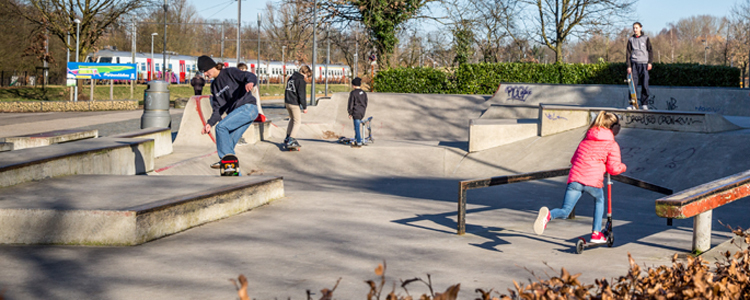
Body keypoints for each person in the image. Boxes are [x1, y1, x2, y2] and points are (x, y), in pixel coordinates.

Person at [533, 111, 627, 244]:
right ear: (613, 127)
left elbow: (573, 159)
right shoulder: (611, 144)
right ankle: (596, 233)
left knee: (565, 211)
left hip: (575, 178)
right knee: (599, 200)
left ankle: (549, 215)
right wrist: (623, 167)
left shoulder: (586, 139)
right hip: (592, 181)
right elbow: (614, 168)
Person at [197, 55, 258, 173]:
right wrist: (210, 123)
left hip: (248, 108)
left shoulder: (230, 72)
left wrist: (250, 82)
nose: (205, 74)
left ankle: (224, 161)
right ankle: (234, 174)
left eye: (205, 71)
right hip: (238, 114)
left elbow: (249, 75)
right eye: (202, 72)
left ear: (212, 67)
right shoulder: (214, 87)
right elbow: (218, 108)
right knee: (228, 143)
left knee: (222, 127)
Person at [284, 65, 312, 148]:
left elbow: (287, 90)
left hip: (287, 102)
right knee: (297, 122)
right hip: (294, 103)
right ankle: (291, 140)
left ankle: (287, 137)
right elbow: (301, 95)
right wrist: (304, 107)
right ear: (306, 73)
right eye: (308, 75)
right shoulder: (301, 81)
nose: (306, 77)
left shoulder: (291, 78)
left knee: (292, 119)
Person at [626, 22, 653, 110]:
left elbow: (650, 51)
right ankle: (632, 103)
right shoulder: (630, 40)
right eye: (634, 28)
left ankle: (644, 103)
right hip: (634, 64)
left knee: (645, 84)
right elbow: (628, 53)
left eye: (636, 28)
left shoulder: (646, 38)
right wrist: (629, 66)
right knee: (633, 85)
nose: (635, 29)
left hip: (644, 64)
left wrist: (650, 62)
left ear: (640, 28)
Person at [347, 77, 368, 148]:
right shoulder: (364, 93)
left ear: (354, 85)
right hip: (362, 111)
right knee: (357, 126)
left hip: (355, 112)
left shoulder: (353, 93)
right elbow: (366, 102)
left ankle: (359, 142)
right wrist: (363, 109)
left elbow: (351, 103)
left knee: (356, 127)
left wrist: (350, 112)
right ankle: (356, 139)